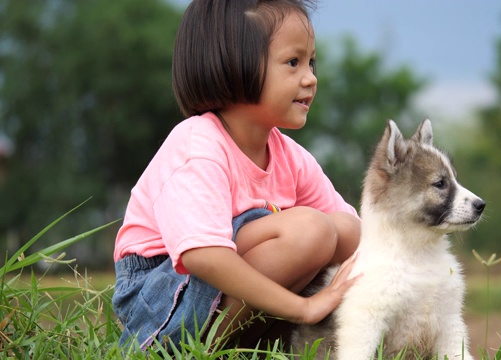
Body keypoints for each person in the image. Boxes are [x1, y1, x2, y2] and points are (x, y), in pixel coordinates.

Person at [111, 0, 361, 353]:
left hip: (219, 287)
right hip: (162, 291)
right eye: (293, 62)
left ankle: (251, 344)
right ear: (234, 64)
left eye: (311, 62)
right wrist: (304, 308)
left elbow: (354, 234)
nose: (310, 78)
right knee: (312, 230)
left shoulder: (290, 156)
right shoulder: (198, 144)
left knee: (346, 230)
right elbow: (202, 256)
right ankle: (192, 350)